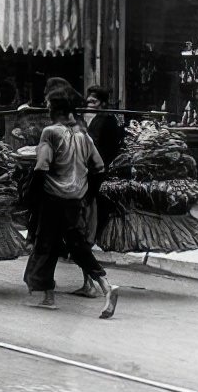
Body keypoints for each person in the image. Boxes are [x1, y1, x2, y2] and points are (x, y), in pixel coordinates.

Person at [22, 92, 119, 319]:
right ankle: (105, 285)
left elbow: (42, 166)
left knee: (46, 244)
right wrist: (87, 194)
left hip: (53, 197)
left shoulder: (50, 132)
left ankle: (49, 297)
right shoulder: (83, 135)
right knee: (73, 244)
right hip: (75, 198)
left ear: (52, 110)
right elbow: (99, 166)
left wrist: (29, 196)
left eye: (47, 105)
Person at [72, 85, 123, 297]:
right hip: (87, 176)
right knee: (81, 234)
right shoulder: (87, 121)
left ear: (101, 103)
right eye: (88, 102)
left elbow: (106, 152)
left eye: (93, 102)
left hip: (96, 180)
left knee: (85, 232)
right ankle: (89, 283)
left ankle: (94, 284)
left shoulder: (108, 121)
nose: (88, 105)